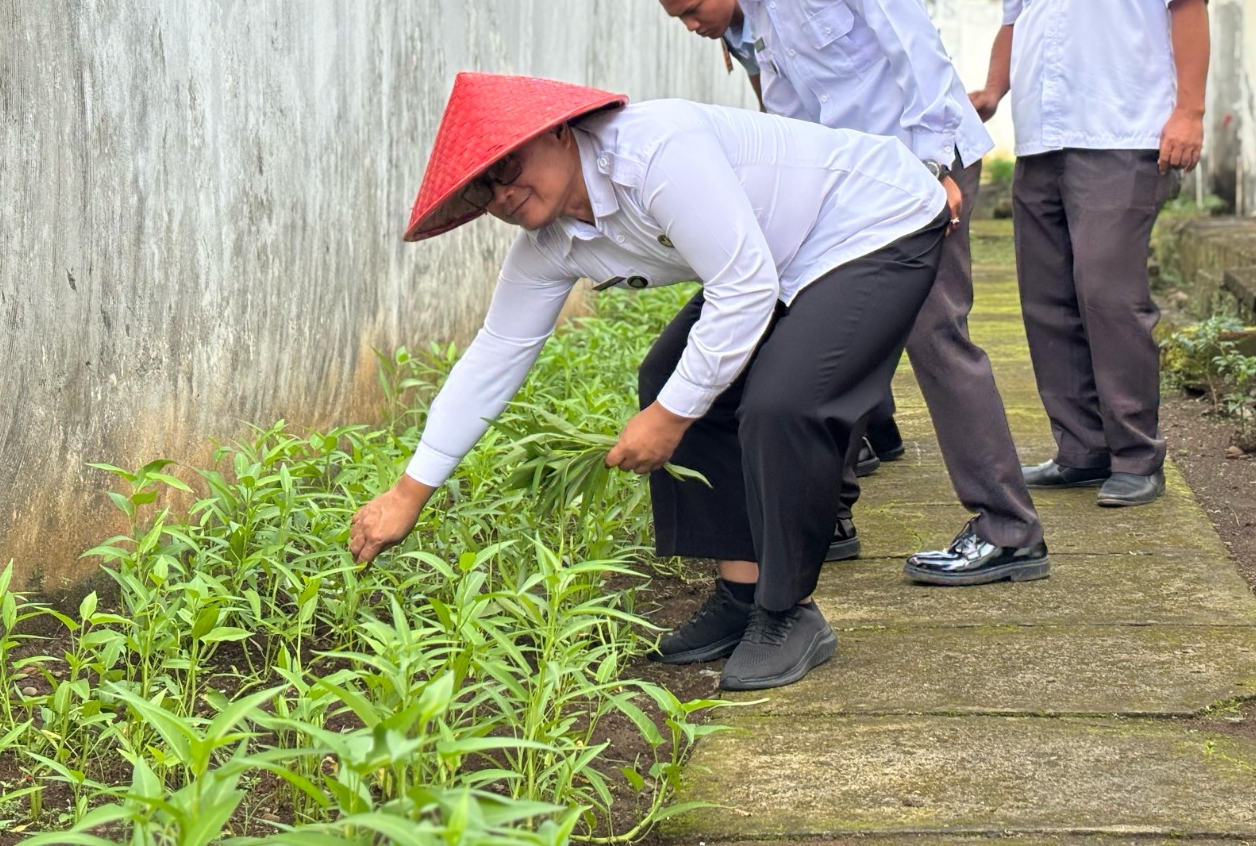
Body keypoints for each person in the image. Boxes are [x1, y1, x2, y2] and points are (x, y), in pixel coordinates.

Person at [348, 72, 949, 690]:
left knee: (781, 405)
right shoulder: (549, 243)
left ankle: (787, 613)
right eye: (482, 188)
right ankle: (744, 597)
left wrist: (668, 417)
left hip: (873, 221)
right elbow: (496, 352)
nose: (501, 194)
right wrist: (408, 492)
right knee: (668, 373)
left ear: (557, 130)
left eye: (508, 165)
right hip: (780, 256)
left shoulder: (654, 152)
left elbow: (743, 288)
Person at [616, 0, 1048, 584]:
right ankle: (829, 510)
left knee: (933, 340)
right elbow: (791, 118)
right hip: (843, 195)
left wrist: (936, 164)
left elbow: (914, 45)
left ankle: (1010, 529)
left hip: (917, 173)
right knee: (830, 343)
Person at [970, 0, 1210, 507]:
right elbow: (1016, 16)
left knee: (1109, 294)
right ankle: (1080, 449)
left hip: (1124, 129)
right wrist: (992, 91)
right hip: (1043, 135)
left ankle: (1136, 453)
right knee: (1046, 300)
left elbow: (1187, 3)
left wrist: (1190, 110)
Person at [651, 0, 904, 558]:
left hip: (877, 185)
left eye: (693, 7)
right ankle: (841, 493)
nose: (691, 24)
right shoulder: (742, 35)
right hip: (805, 200)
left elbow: (903, 47)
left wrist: (937, 157)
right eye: (679, 18)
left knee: (905, 346)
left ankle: (1003, 518)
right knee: (804, 369)